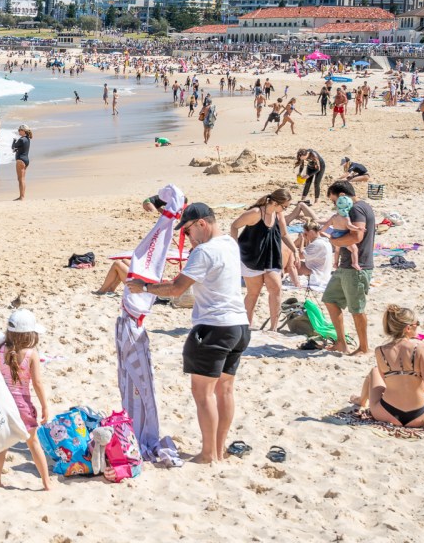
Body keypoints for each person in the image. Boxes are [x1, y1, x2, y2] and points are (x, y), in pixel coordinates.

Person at [127, 203, 249, 464]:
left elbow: (176, 289)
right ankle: (217, 449)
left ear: (202, 224)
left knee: (203, 393)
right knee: (225, 390)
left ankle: (208, 454)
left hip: (213, 327)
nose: (187, 236)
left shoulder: (204, 252)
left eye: (189, 230)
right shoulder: (228, 242)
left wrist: (144, 286)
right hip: (239, 325)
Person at [0, 309, 52, 491]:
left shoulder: (0, 349)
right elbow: (38, 383)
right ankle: (46, 483)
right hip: (22, 404)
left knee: (2, 445)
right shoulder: (31, 354)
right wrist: (45, 406)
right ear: (30, 334)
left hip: (2, 403)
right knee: (33, 443)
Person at [351, 305, 424, 428]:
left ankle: (361, 400)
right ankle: (361, 399)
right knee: (412, 382)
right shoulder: (420, 348)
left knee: (374, 371)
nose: (418, 325)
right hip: (418, 417)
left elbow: (387, 383)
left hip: (387, 413)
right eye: (417, 323)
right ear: (408, 328)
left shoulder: (380, 351)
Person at [229, 189, 298, 331]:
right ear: (274, 202)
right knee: (253, 292)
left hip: (271, 256)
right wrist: (234, 247)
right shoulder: (255, 213)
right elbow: (234, 225)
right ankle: (246, 325)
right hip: (251, 256)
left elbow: (284, 234)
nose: (285, 209)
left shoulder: (278, 215)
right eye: (284, 206)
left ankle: (273, 327)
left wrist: (295, 250)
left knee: (276, 288)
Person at [322, 181, 376, 356]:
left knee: (356, 309)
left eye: (333, 200)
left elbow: (357, 236)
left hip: (356, 267)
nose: (334, 204)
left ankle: (363, 347)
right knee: (330, 299)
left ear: (342, 196)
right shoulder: (362, 206)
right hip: (345, 266)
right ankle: (341, 343)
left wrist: (334, 241)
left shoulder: (356, 209)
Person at [325, 194, 365, 270]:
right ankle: (355, 263)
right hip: (342, 235)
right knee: (354, 250)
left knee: (337, 251)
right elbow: (350, 226)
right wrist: (358, 229)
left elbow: (327, 224)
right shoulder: (346, 217)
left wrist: (322, 231)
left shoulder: (334, 216)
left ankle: (335, 263)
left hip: (335, 234)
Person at [12, 125, 32, 201]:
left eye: (19, 130)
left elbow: (13, 146)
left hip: (20, 160)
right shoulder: (27, 139)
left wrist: (14, 141)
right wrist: (17, 149)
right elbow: (21, 148)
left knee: (20, 179)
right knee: (22, 179)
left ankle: (21, 197)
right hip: (26, 160)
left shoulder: (21, 139)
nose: (18, 131)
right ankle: (22, 196)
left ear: (23, 131)